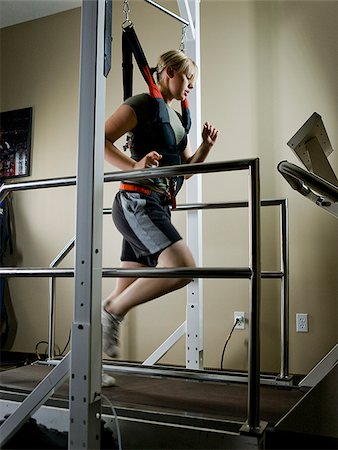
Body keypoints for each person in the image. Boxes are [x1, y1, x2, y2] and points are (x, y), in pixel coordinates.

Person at [101, 50, 219, 385]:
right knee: (183, 269)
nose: (191, 87)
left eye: (194, 82)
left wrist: (206, 147)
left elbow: (187, 170)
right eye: (188, 79)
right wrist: (134, 167)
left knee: (117, 295)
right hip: (137, 202)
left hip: (154, 204)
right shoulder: (143, 104)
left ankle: (89, 366)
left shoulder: (177, 118)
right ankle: (112, 313)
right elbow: (99, 138)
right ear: (168, 71)